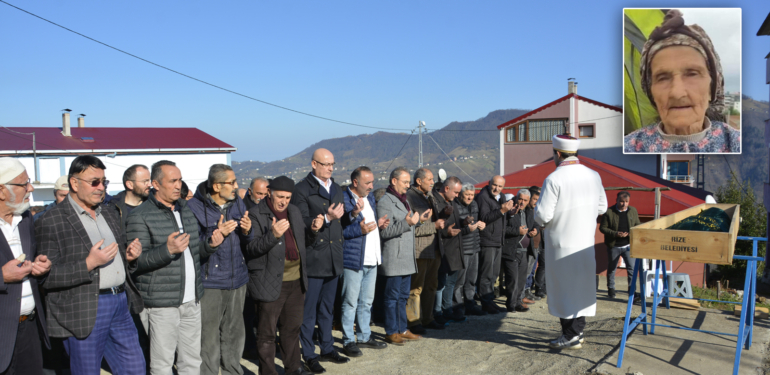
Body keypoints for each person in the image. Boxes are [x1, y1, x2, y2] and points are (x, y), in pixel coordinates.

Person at [36, 155, 145, 373]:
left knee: (135, 368)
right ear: (74, 183)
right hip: (83, 308)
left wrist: (129, 257)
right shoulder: (51, 220)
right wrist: (88, 263)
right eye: (94, 182)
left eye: (104, 182)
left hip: (120, 302)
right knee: (87, 371)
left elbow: (116, 257)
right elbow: (46, 277)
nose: (101, 187)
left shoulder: (110, 213)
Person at [126, 160, 224, 375]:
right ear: (156, 184)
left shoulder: (185, 210)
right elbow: (135, 263)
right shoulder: (138, 216)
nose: (178, 185)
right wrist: (167, 250)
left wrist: (210, 245)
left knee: (191, 361)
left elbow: (192, 252)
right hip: (162, 304)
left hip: (192, 299)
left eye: (179, 180)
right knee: (162, 363)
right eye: (172, 181)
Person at [623, 9, 739, 153]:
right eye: (663, 78)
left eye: (692, 74)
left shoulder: (736, 143)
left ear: (712, 88)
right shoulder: (630, 147)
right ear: (651, 92)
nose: (677, 93)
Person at [535, 135, 607, 350]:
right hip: (585, 242)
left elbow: (542, 215)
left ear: (557, 153)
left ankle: (570, 335)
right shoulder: (594, 175)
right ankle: (577, 332)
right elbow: (602, 208)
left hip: (561, 244)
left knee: (563, 290)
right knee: (581, 288)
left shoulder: (554, 178)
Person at [245, 176, 322, 375]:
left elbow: (302, 243)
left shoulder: (293, 211)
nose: (284, 201)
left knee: (291, 329)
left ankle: (293, 367)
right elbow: (251, 249)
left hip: (296, 281)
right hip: (269, 281)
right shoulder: (256, 214)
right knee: (267, 334)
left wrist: (313, 231)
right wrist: (273, 236)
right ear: (269, 192)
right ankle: (268, 372)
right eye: (280, 196)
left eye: (288, 197)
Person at [187, 164, 253, 375]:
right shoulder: (193, 207)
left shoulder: (238, 203)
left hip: (238, 279)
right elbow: (191, 247)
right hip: (211, 282)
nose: (236, 186)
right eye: (231, 182)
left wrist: (247, 230)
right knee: (209, 336)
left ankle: (233, 371)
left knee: (234, 332)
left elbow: (246, 240)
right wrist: (214, 237)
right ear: (216, 186)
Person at [291, 148, 351, 374]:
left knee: (327, 308)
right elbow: (301, 221)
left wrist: (351, 216)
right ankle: (308, 353)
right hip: (314, 256)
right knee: (309, 310)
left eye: (333, 164)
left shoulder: (336, 187)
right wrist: (325, 218)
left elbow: (340, 220)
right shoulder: (302, 189)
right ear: (314, 164)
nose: (331, 168)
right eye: (326, 164)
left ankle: (327, 347)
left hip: (334, 256)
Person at [0, 158, 51, 375]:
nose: (30, 188)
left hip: (29, 328)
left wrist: (40, 265)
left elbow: (31, 257)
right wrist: (1, 276)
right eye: (23, 184)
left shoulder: (25, 219)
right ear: (2, 191)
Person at [339, 167, 390, 357]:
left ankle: (364, 336)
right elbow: (341, 230)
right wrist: (354, 217)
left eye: (372, 182)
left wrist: (379, 225)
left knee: (366, 301)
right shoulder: (344, 199)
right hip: (353, 259)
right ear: (355, 182)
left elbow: (368, 225)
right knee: (350, 301)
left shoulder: (369, 199)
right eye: (367, 183)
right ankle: (348, 340)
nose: (371, 186)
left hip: (372, 257)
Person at [377, 167, 428, 345]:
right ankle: (391, 331)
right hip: (394, 257)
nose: (408, 185)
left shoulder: (403, 200)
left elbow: (406, 226)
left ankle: (402, 328)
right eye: (405, 182)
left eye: (408, 182)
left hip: (406, 256)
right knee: (391, 297)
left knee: (403, 296)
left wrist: (418, 221)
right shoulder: (386, 202)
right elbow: (385, 232)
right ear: (394, 181)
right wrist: (407, 223)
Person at [405, 168, 445, 333]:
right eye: (429, 179)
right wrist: (433, 226)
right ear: (419, 181)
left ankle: (428, 318)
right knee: (416, 288)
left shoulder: (430, 196)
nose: (432, 182)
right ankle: (414, 322)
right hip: (419, 250)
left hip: (434, 248)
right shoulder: (409, 197)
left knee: (431, 285)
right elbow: (411, 228)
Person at [474, 176, 515, 314]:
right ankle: (485, 303)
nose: (497, 188)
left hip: (498, 240)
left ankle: (490, 300)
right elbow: (484, 217)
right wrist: (502, 211)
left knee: (494, 274)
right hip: (487, 240)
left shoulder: (502, 196)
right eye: (494, 185)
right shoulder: (483, 197)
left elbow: (500, 217)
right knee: (486, 274)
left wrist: (509, 213)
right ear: (489, 183)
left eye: (500, 186)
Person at [433, 177, 466, 323]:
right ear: (447, 189)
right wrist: (446, 232)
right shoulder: (434, 201)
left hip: (455, 249)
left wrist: (464, 222)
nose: (457, 195)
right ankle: (437, 312)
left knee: (451, 282)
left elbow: (454, 222)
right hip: (442, 248)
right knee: (439, 284)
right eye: (456, 192)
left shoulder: (451, 201)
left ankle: (447, 309)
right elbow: (433, 225)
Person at [599, 191, 642, 301]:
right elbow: (602, 228)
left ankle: (632, 291)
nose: (624, 204)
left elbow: (637, 225)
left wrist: (632, 233)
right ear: (617, 200)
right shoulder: (609, 212)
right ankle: (611, 289)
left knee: (631, 269)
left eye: (626, 202)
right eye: (621, 201)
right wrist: (615, 233)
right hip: (614, 245)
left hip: (628, 245)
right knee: (612, 268)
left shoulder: (633, 211)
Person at [454, 183, 486, 316]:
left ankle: (470, 303)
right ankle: (457, 306)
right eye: (467, 194)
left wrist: (481, 224)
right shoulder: (454, 205)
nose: (469, 197)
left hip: (474, 245)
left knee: (472, 279)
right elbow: (453, 228)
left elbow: (477, 220)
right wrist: (466, 227)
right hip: (462, 247)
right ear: (460, 194)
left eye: (472, 195)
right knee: (459, 280)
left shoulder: (474, 205)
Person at [502, 189, 537, 313]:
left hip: (525, 251)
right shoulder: (510, 210)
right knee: (513, 279)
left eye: (525, 200)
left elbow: (535, 224)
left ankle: (518, 302)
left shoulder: (529, 211)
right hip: (512, 250)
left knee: (522, 279)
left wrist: (535, 230)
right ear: (516, 198)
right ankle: (511, 304)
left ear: (528, 201)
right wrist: (517, 231)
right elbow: (503, 228)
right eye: (520, 199)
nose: (522, 202)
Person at [528, 186, 547, 298]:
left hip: (544, 237)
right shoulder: (529, 209)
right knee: (532, 265)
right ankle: (528, 288)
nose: (536, 201)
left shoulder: (544, 207)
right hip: (534, 237)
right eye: (535, 198)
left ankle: (540, 287)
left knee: (544, 263)